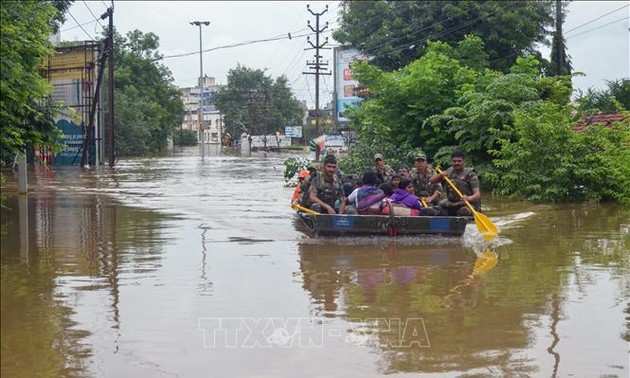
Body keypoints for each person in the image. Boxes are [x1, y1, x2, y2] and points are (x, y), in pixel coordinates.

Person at [429, 150, 480, 216]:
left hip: (465, 204)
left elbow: (477, 194)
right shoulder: (448, 172)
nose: (456, 163)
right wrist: (440, 175)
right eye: (454, 161)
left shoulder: (471, 175)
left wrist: (468, 198)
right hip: (450, 204)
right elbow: (431, 181)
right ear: (451, 162)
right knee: (428, 211)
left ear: (464, 162)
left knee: (463, 212)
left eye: (459, 161)